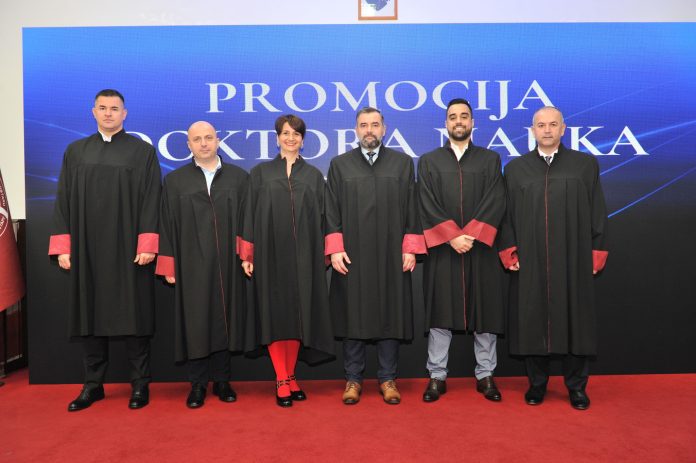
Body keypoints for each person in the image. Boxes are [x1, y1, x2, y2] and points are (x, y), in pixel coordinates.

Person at [48, 89, 161, 411]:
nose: (108, 113)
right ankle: (93, 384)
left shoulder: (142, 152)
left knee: (135, 317)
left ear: (125, 113)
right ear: (93, 112)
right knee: (90, 316)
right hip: (87, 249)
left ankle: (140, 384)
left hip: (129, 249)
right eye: (103, 108)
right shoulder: (76, 151)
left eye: (114, 108)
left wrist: (148, 244)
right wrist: (63, 247)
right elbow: (63, 199)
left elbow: (152, 197)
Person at [500, 106, 609, 410]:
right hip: (531, 258)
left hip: (572, 258)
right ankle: (537, 384)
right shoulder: (516, 169)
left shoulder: (584, 165)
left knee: (575, 321)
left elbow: (597, 211)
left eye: (552, 124)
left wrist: (596, 251)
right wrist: (509, 250)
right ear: (532, 131)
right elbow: (506, 215)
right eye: (540, 125)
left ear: (563, 129)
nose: (546, 130)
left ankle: (576, 387)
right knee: (533, 319)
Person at [325, 107, 426, 405]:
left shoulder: (402, 164)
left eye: (374, 124)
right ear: (356, 130)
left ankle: (387, 378)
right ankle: (353, 379)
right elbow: (331, 209)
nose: (369, 130)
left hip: (390, 254)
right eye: (363, 125)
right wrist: (335, 248)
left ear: (384, 129)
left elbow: (412, 206)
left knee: (389, 314)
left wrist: (409, 248)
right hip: (352, 255)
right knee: (353, 316)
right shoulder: (340, 165)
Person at [239, 114, 334, 408]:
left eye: (296, 134)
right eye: (285, 133)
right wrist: (248, 254)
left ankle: (290, 375)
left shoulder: (314, 176)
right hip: (270, 256)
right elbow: (248, 214)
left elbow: (325, 217)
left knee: (297, 318)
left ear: (303, 140)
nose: (290, 138)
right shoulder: (260, 174)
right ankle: (281, 377)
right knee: (274, 316)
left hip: (304, 258)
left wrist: (324, 253)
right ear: (277, 138)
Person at [417, 98, 507, 403]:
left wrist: (471, 235)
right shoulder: (429, 161)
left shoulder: (490, 159)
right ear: (445, 123)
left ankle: (486, 374)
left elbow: (496, 198)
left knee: (485, 311)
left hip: (480, 249)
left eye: (464, 116)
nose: (459, 121)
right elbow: (425, 201)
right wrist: (452, 236)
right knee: (440, 311)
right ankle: (436, 375)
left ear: (472, 122)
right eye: (453, 116)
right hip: (444, 250)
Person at [156, 121, 248, 408]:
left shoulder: (239, 178)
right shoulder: (175, 181)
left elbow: (248, 221)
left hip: (228, 262)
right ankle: (197, 384)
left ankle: (222, 380)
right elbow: (165, 224)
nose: (204, 143)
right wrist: (168, 265)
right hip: (191, 263)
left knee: (225, 318)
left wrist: (247, 256)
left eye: (209, 137)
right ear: (189, 145)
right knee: (196, 321)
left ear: (218, 141)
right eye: (197, 139)